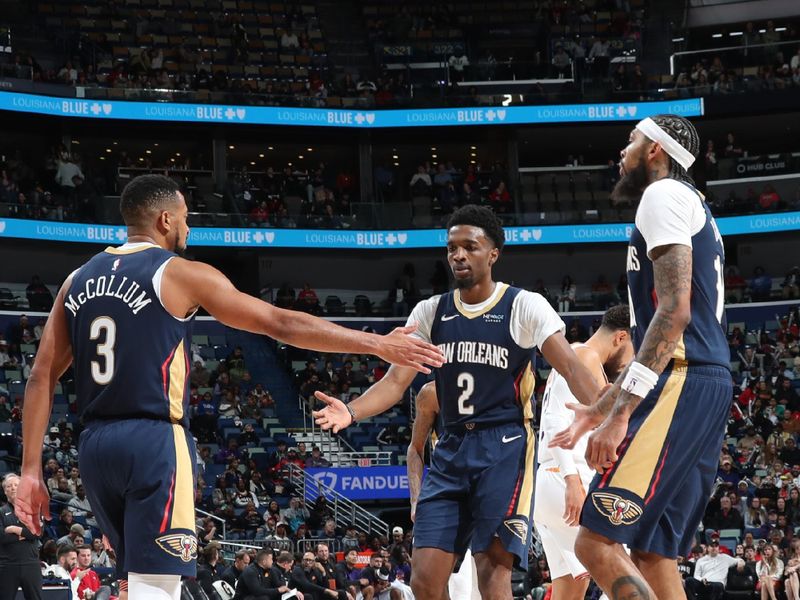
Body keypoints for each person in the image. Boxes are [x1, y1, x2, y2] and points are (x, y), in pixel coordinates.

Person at [14, 174, 443, 600]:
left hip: (94, 446)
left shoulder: (77, 279)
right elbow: (278, 322)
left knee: (129, 581)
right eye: (185, 218)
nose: (189, 228)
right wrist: (376, 344)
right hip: (151, 440)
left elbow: (40, 377)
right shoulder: (177, 273)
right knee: (155, 588)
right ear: (165, 219)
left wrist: (31, 469)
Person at [314, 204, 600, 600]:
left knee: (492, 570)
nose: (459, 255)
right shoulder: (431, 312)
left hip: (505, 446)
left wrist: (610, 413)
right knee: (425, 581)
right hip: (450, 449)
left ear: (493, 253)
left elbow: (570, 366)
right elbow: (396, 382)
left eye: (470, 246)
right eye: (452, 248)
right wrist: (352, 410)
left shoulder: (524, 305)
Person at [552, 114, 733, 599]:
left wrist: (621, 415)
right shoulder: (693, 205)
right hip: (704, 382)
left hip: (681, 379)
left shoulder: (663, 195)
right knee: (654, 551)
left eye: (631, 141)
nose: (622, 152)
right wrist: (603, 405)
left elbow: (673, 314)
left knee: (595, 544)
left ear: (656, 149)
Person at [534, 305, 634, 600]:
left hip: (550, 482)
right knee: (623, 568)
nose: (631, 360)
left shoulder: (582, 361)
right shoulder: (584, 356)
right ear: (621, 337)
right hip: (565, 477)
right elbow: (554, 420)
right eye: (633, 349)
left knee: (569, 588)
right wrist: (571, 480)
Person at [406, 381, 480, 600]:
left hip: (487, 487)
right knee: (428, 585)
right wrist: (416, 499)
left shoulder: (497, 385)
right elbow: (415, 449)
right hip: (446, 492)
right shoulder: (432, 392)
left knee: (481, 588)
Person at [0, 473, 42, 600]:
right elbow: (1, 537)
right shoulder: (1, 512)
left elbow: (38, 532)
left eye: (16, 485)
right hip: (7, 565)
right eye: (9, 486)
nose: (13, 488)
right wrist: (25, 534)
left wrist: (14, 529)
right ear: (5, 491)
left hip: (31, 564)